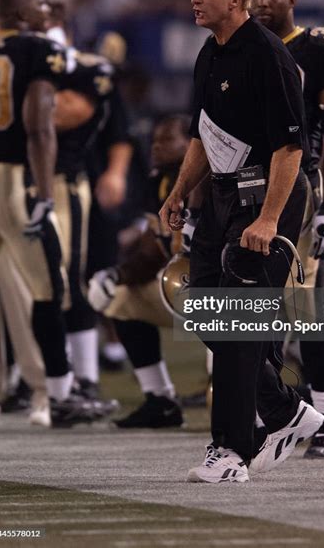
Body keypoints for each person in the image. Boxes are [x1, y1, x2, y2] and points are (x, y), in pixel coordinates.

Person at [159, 0, 324, 484]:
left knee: (237, 319)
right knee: (204, 307)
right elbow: (202, 136)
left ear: (236, 0)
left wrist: (270, 220)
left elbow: (289, 149)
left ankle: (231, 452)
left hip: (263, 200)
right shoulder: (210, 53)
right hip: (222, 200)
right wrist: (180, 192)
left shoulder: (267, 55)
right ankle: (284, 409)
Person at [0, 0, 98, 427]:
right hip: (13, 180)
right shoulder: (34, 50)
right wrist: (44, 192)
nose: (45, 10)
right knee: (50, 287)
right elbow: (39, 125)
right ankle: (60, 395)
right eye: (37, 5)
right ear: (24, 13)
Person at [251, 0, 324, 458]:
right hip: (248, 186)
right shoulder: (238, 47)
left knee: (307, 307)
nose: (262, 1)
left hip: (300, 185)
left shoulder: (319, 47)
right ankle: (277, 411)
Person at [88, 115, 197, 428]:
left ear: (191, 144)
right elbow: (154, 249)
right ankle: (161, 400)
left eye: (166, 142)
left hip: (226, 294)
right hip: (183, 290)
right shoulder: (159, 182)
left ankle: (266, 409)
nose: (156, 148)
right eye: (154, 142)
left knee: (231, 396)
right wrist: (116, 275)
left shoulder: (208, 181)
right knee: (120, 299)